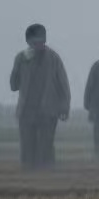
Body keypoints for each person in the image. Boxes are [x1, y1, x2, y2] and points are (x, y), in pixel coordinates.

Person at [9, 24, 71, 169]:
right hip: (26, 112)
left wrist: (64, 108)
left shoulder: (54, 58)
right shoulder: (21, 58)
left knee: (46, 149)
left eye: (39, 41)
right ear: (28, 42)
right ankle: (27, 183)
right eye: (33, 42)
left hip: (48, 112)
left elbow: (64, 85)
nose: (37, 45)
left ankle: (48, 182)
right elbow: (13, 85)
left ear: (44, 40)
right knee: (27, 150)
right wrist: (21, 63)